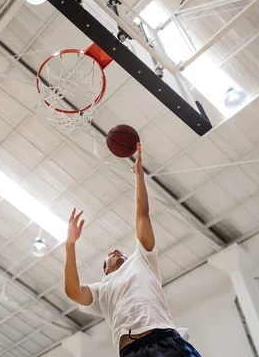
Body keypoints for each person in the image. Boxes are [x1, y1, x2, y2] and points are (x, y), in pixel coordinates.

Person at [64, 143, 201, 357]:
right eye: (110, 255)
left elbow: (142, 216)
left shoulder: (143, 259)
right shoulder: (101, 290)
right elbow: (72, 291)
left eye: (121, 253)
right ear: (105, 271)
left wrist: (139, 176)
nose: (117, 251)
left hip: (163, 341)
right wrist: (70, 245)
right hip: (131, 353)